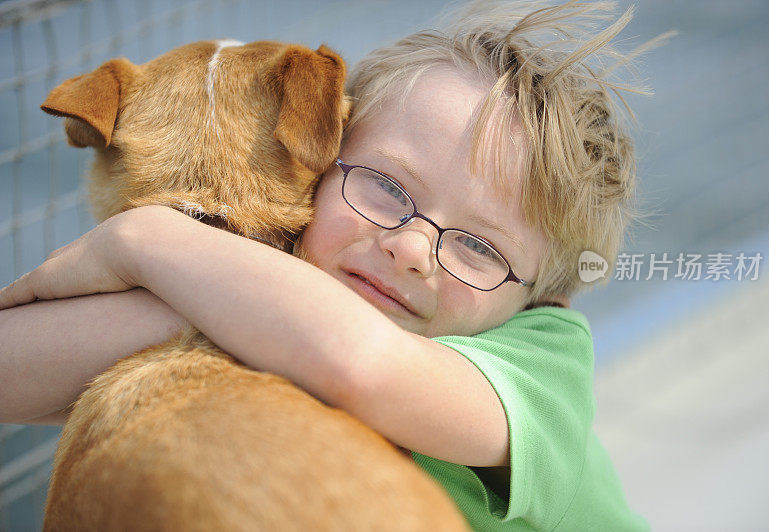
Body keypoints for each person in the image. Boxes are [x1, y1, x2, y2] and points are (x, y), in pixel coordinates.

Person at [0, 1, 659, 529]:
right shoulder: (284, 299)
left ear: (541, 296)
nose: (411, 248)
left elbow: (358, 365)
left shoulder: (543, 361)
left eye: (479, 247)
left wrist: (144, 239)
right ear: (319, 160)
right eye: (387, 187)